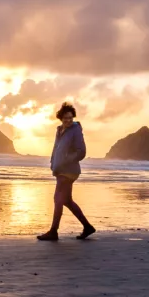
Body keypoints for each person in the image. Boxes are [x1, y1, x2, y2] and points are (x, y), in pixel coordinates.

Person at [37, 102, 96, 241]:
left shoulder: (75, 130)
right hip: (60, 170)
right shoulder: (59, 130)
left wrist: (65, 160)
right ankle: (87, 227)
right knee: (67, 201)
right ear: (60, 118)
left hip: (69, 171)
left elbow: (81, 151)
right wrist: (53, 163)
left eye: (70, 118)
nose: (68, 120)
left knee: (58, 199)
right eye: (65, 118)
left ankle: (53, 231)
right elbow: (56, 148)